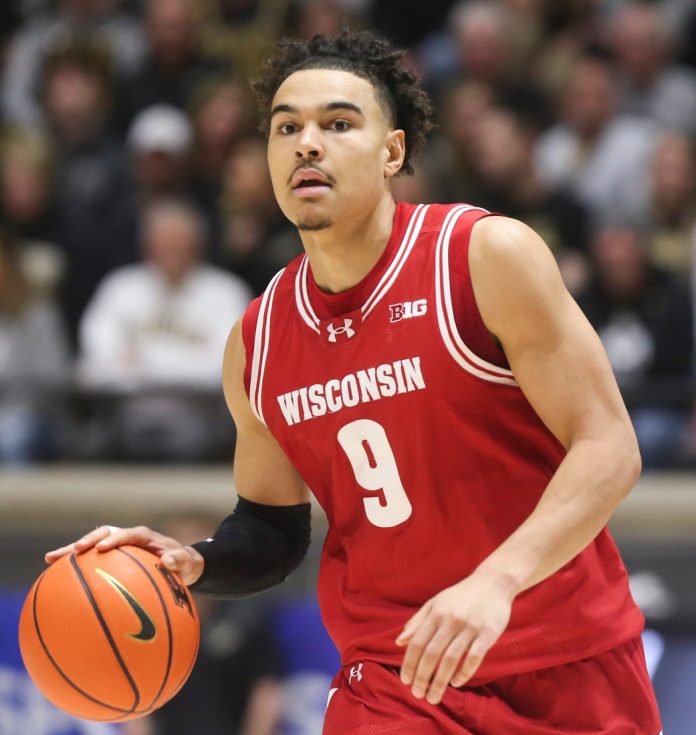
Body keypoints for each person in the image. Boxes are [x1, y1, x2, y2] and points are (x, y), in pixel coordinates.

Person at [47, 30, 662, 734]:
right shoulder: (259, 340)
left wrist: (496, 580)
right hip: (395, 679)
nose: (307, 144)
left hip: (568, 662)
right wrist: (197, 561)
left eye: (338, 124)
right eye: (287, 128)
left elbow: (609, 447)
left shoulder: (483, 257)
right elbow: (271, 527)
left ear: (392, 152)